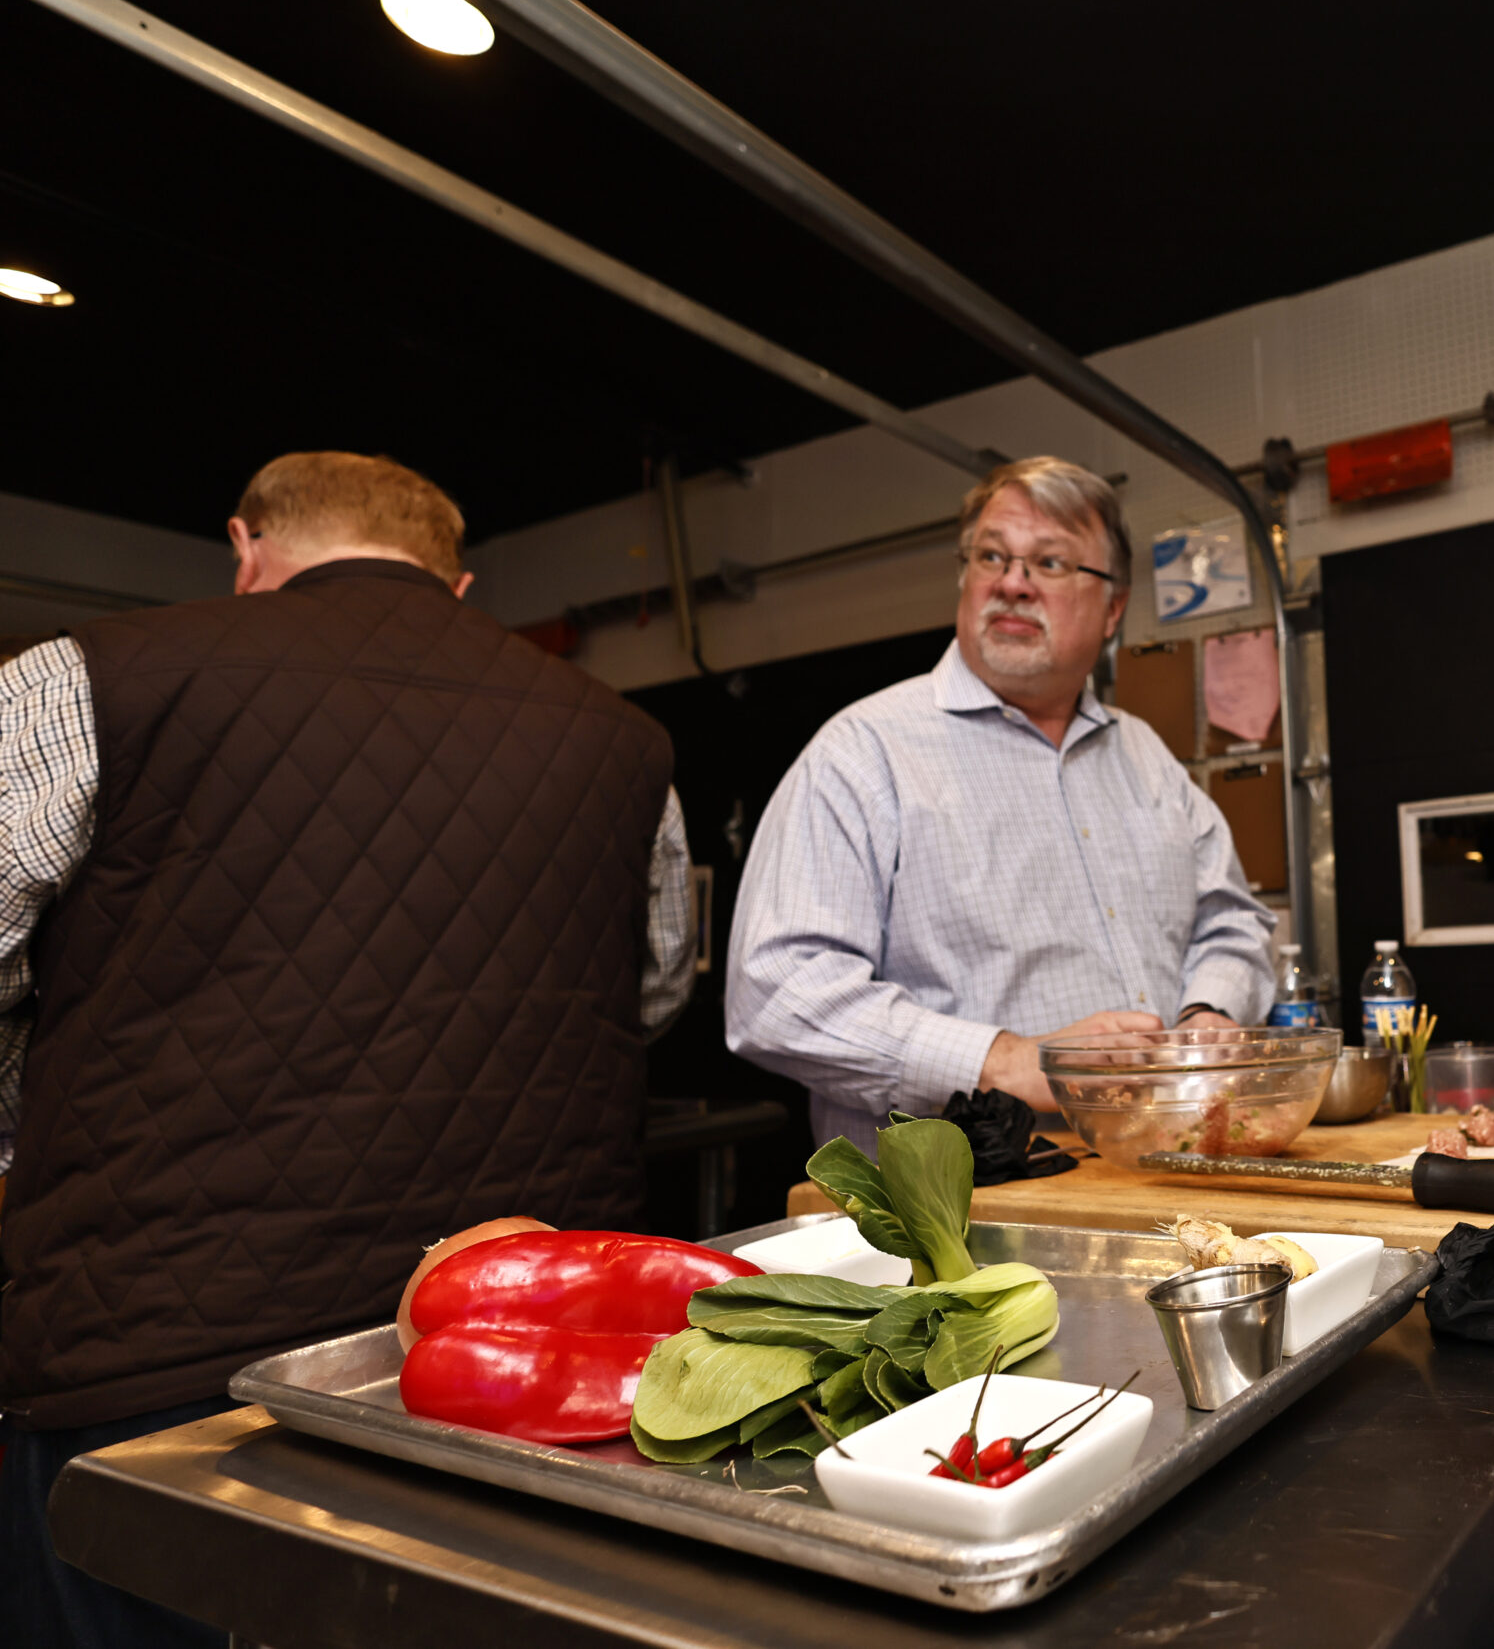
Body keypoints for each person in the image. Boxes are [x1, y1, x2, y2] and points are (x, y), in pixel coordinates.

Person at [0, 451, 694, 1649]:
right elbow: (657, 988)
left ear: (246, 551)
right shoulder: (626, 742)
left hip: (160, 1362)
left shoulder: (84, 679)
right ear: (458, 586)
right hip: (510, 1359)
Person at [728, 456, 1275, 1151]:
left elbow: (1231, 921)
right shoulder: (864, 754)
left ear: (1113, 608)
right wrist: (1003, 1061)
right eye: (992, 556)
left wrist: (1209, 1011)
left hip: (1155, 1171)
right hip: (953, 1206)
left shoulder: (1147, 758)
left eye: (1050, 562)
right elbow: (775, 992)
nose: (1012, 583)